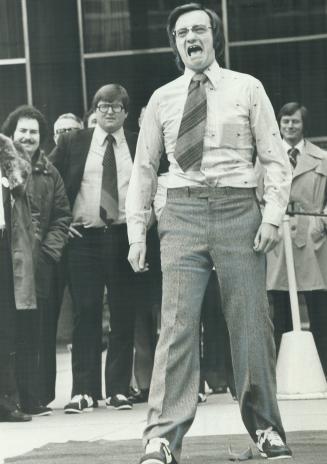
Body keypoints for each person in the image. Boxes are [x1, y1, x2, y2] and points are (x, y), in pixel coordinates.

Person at [126, 3, 293, 462]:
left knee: (251, 322)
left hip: (239, 209)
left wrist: (273, 215)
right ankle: (161, 438)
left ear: (214, 37)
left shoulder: (247, 88)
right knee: (176, 325)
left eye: (199, 28)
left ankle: (266, 430)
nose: (190, 37)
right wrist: (137, 232)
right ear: (175, 44)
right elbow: (143, 169)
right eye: (182, 32)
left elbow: (276, 159)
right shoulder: (162, 98)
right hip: (180, 212)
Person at [50, 83, 153, 413]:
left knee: (123, 314)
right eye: (103, 106)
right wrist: (60, 223)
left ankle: (119, 390)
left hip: (124, 236)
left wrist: (147, 222)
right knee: (86, 313)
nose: (109, 111)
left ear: (125, 112)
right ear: (94, 111)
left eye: (116, 106)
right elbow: (48, 182)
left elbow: (158, 182)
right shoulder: (73, 142)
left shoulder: (138, 143)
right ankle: (83, 390)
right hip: (84, 239)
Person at [2, 105, 71, 415]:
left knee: (33, 331)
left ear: (41, 137)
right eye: (22, 131)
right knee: (8, 330)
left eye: (33, 132)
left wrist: (46, 255)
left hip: (37, 264)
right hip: (6, 262)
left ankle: (30, 398)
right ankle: (9, 399)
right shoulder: (4, 167)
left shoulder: (49, 172)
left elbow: (61, 217)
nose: (27, 137)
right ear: (12, 132)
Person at [264, 102, 327, 373]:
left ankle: (324, 371)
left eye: (295, 122)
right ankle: (286, 373)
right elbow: (257, 196)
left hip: (313, 240)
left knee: (320, 310)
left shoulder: (322, 158)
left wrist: (321, 223)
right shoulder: (266, 157)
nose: (290, 126)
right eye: (285, 121)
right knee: (281, 310)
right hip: (279, 240)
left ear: (304, 125)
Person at [0, 134, 35, 422]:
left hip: (5, 248)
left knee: (5, 328)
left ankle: (6, 402)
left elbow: (28, 204)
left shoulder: (10, 159)